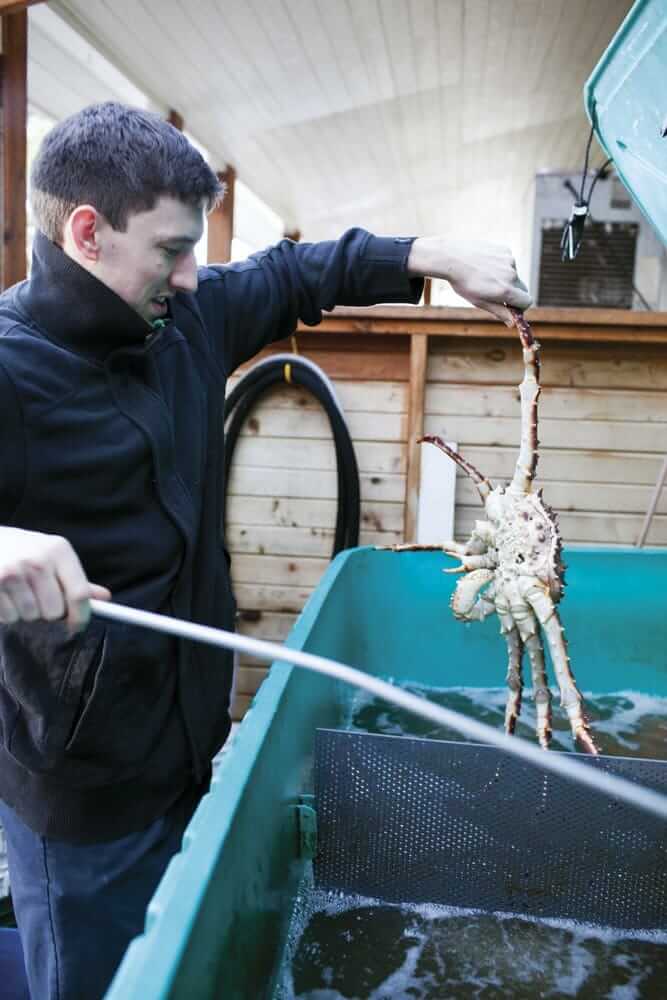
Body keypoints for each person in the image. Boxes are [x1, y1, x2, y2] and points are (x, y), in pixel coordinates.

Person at [0, 101, 532, 999]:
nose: (196, 274)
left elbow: (291, 273)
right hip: (82, 798)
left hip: (192, 754)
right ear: (87, 232)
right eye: (172, 248)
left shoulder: (180, 322)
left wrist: (427, 255)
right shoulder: (13, 369)